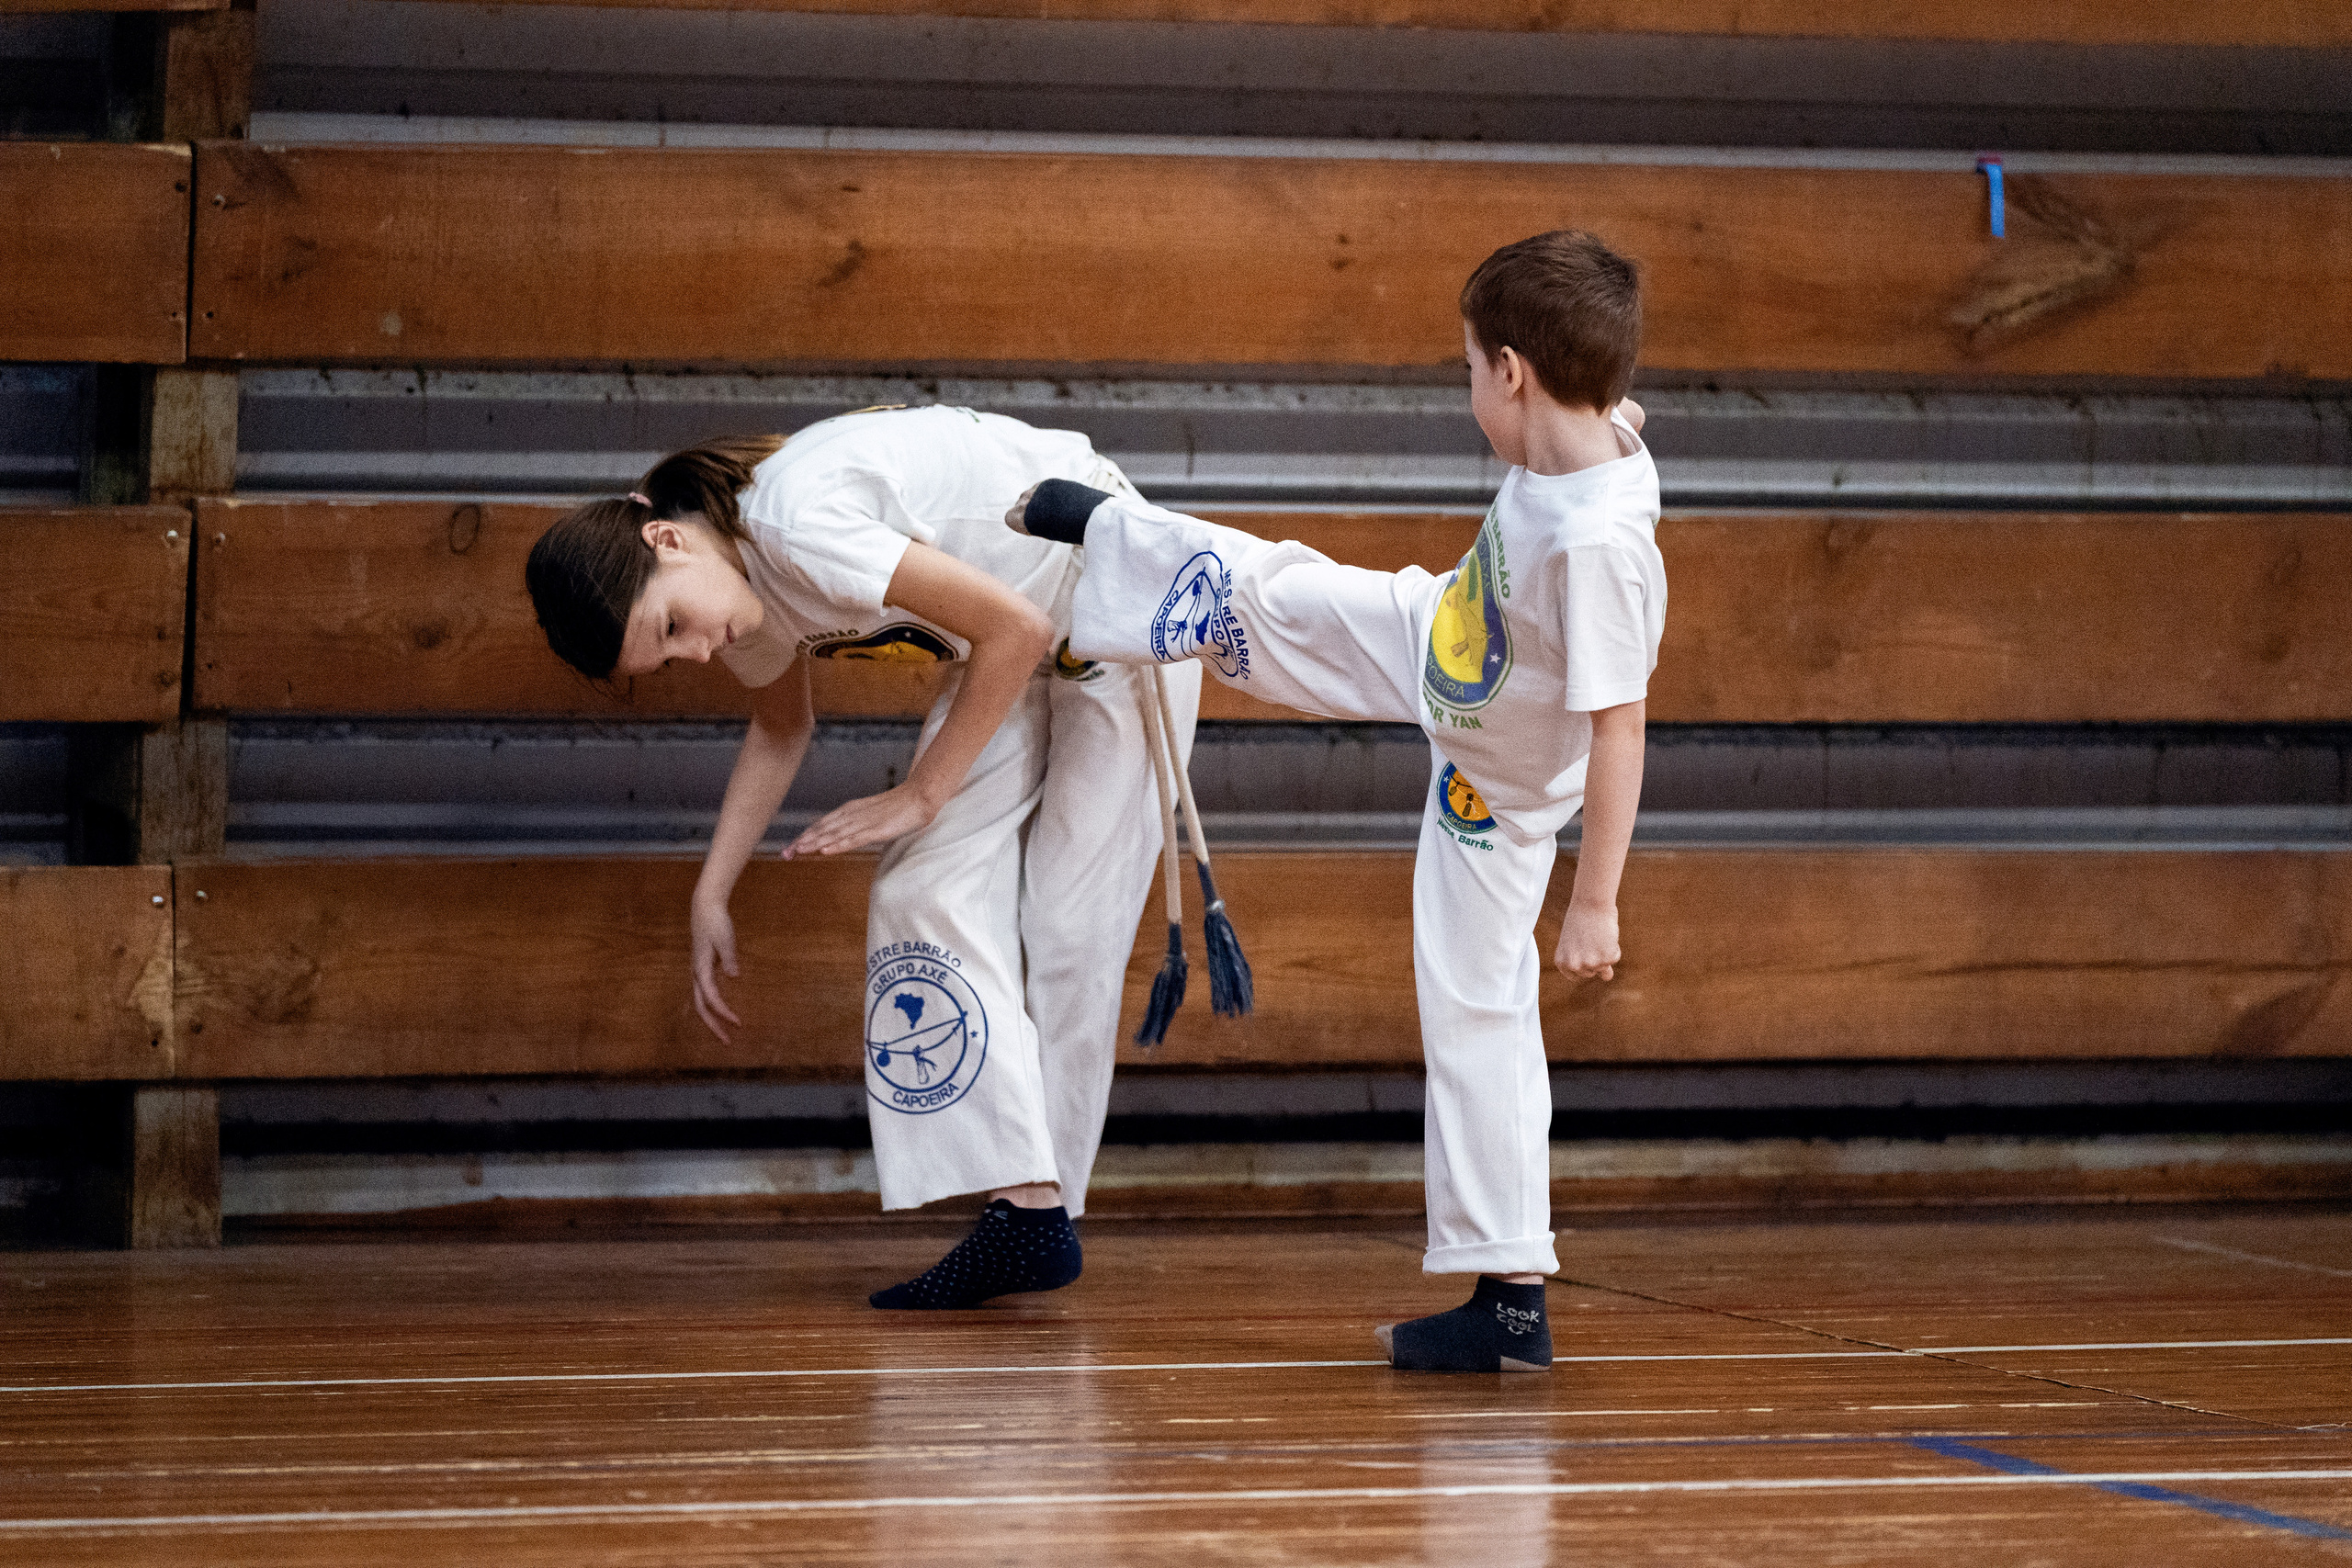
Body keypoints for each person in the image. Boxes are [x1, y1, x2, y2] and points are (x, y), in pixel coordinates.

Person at [1008, 231, 1662, 1371]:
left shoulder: (1599, 543)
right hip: (1449, 644)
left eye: (1468, 370)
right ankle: (1107, 533)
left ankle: (1509, 1293)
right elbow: (1613, 420)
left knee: (1476, 1013)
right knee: (1281, 587)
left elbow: (1620, 726)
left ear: (1511, 371)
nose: (1467, 393)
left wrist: (1592, 899)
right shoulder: (1591, 438)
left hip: (1497, 790)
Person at [525, 408, 1201, 1308]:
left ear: (664, 540)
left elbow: (1016, 630)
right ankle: (1028, 1214)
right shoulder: (736, 587)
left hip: (1111, 598)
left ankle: (1040, 1215)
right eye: (673, 657)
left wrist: (921, 793)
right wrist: (712, 891)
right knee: (921, 887)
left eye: (675, 624)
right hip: (1006, 646)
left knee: (1071, 926)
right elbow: (780, 725)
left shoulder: (794, 523)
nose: (698, 649)